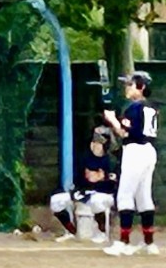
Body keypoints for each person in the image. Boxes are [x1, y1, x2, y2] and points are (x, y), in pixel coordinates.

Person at [103, 71, 160, 256]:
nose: (127, 88)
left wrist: (112, 120)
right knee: (144, 196)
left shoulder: (134, 108)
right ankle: (149, 243)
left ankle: (124, 242)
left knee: (124, 196)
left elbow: (124, 133)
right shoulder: (151, 107)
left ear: (141, 87)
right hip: (149, 151)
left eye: (130, 85)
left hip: (135, 151)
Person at [49, 123, 117, 244]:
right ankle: (71, 231)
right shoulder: (84, 157)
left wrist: (103, 177)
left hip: (105, 193)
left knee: (96, 201)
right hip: (84, 192)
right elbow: (80, 179)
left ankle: (101, 232)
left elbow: (115, 180)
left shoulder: (111, 160)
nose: (95, 145)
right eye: (94, 141)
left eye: (99, 143)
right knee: (56, 200)